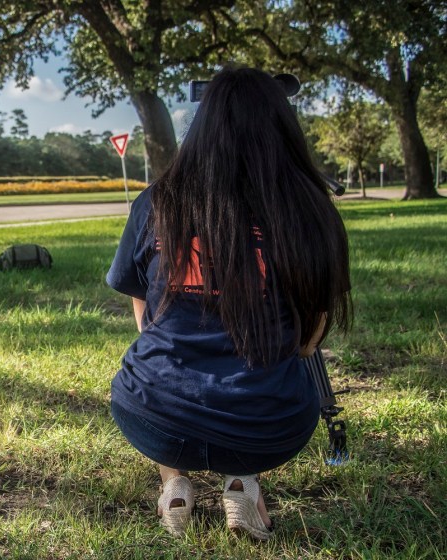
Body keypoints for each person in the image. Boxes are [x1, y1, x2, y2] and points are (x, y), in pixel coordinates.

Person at [106, 67, 352, 540]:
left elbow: (145, 321)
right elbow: (307, 343)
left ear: (201, 126)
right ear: (283, 128)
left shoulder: (157, 202)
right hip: (268, 429)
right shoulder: (310, 211)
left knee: (161, 375)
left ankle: (174, 487)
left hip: (153, 419)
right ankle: (242, 481)